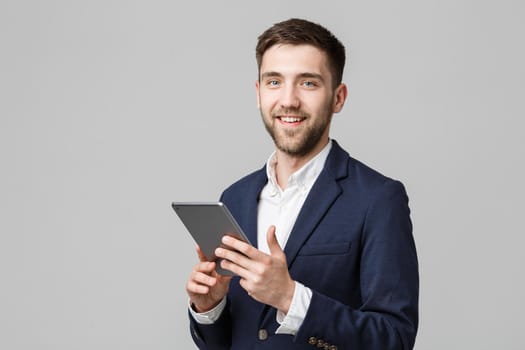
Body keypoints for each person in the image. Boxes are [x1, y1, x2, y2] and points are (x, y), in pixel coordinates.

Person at [185, 18, 419, 350]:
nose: (289, 100)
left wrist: (291, 298)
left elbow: (394, 340)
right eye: (274, 82)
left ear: (338, 98)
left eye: (308, 83)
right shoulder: (234, 198)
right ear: (258, 93)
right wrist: (210, 308)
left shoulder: (378, 199)